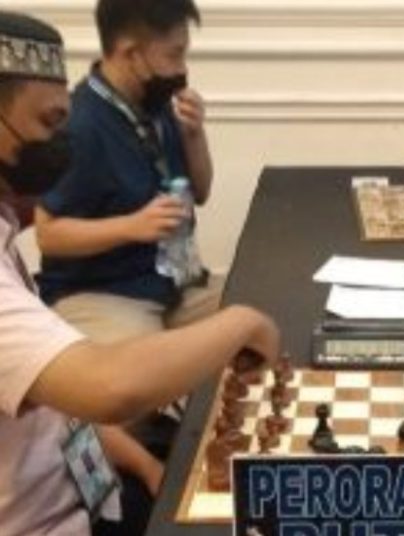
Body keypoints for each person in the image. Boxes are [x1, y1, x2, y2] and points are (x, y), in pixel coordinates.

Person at [0, 12, 279, 536]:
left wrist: (146, 466)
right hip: (54, 515)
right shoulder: (91, 125)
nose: (59, 144)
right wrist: (240, 321)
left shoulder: (156, 112)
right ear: (131, 52)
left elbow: (59, 415)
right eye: (47, 124)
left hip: (91, 483)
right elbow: (108, 386)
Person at [35, 0, 218, 350]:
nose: (182, 69)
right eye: (174, 55)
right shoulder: (80, 126)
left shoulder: (156, 104)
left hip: (173, 284)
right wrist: (132, 226)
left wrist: (194, 135)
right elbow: (49, 234)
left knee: (254, 314)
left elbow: (201, 191)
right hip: (103, 293)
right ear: (131, 54)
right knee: (151, 367)